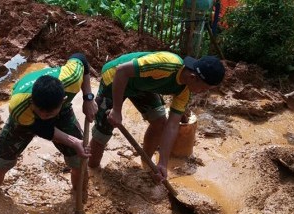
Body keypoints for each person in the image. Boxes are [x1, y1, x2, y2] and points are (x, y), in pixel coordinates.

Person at [88, 51, 225, 182]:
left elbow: (171, 126)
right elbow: (122, 71)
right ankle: (92, 169)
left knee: (160, 122)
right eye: (203, 89)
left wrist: (163, 164)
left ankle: (146, 163)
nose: (202, 93)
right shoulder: (167, 65)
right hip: (115, 78)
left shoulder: (184, 91)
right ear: (193, 77)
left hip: (141, 86)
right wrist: (117, 110)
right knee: (103, 131)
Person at [0, 53, 97, 194]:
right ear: (32, 102)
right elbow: (42, 129)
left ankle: (80, 198)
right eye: (40, 112)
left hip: (59, 109)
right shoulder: (19, 107)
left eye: (48, 114)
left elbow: (81, 58)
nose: (43, 116)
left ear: (64, 100)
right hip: (26, 115)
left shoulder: (71, 78)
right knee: (1, 163)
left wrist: (88, 98)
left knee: (79, 161)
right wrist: (74, 142)